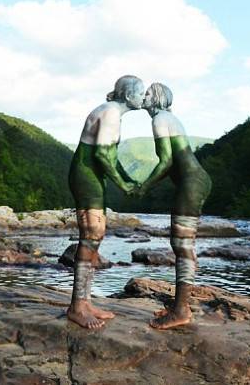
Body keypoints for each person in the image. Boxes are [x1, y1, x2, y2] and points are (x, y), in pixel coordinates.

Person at [66, 75, 144, 329]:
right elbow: (101, 154)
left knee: (95, 236)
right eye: (140, 92)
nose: (143, 98)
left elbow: (110, 156)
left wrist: (129, 180)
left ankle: (85, 302)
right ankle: (77, 307)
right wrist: (124, 186)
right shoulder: (111, 113)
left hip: (90, 174)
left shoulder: (111, 112)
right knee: (91, 234)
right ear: (127, 94)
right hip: (87, 174)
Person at [136, 82, 212, 329]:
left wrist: (145, 185)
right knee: (181, 244)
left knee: (181, 245)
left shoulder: (159, 119)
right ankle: (181, 305)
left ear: (157, 98)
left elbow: (167, 161)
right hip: (196, 180)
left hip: (192, 182)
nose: (144, 96)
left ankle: (180, 311)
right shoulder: (170, 118)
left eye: (148, 93)